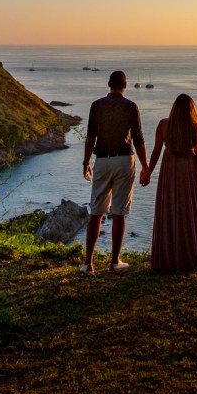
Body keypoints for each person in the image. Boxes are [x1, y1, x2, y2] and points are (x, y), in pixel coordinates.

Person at [140, 93, 197, 271]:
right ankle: (190, 254)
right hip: (188, 173)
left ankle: (168, 257)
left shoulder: (164, 125)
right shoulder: (195, 127)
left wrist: (148, 173)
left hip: (170, 172)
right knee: (188, 213)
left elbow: (156, 152)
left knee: (170, 210)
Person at [81, 70, 148, 273]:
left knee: (96, 212)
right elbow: (138, 139)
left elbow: (91, 137)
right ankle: (114, 261)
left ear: (109, 84)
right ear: (125, 85)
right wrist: (146, 166)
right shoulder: (131, 107)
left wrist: (86, 162)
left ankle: (88, 263)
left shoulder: (97, 105)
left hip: (102, 160)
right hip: (124, 160)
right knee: (119, 212)